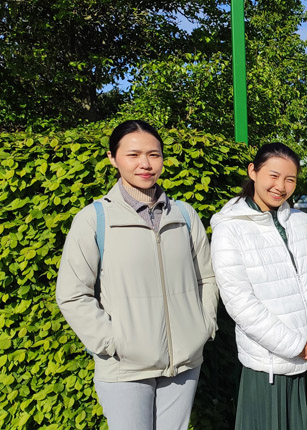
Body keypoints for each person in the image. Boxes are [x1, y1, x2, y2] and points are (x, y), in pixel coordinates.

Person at [56, 120, 218, 430]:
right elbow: (72, 294)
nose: (145, 164)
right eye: (133, 155)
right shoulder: (94, 219)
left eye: (154, 154)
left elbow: (206, 278)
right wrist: (113, 343)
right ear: (112, 158)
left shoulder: (184, 215)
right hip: (124, 367)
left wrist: (204, 325)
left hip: (184, 363)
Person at [210, 142, 307, 429]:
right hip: (273, 365)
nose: (281, 186)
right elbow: (240, 304)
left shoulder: (303, 222)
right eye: (273, 176)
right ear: (253, 171)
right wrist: (297, 346)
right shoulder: (230, 229)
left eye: (290, 179)